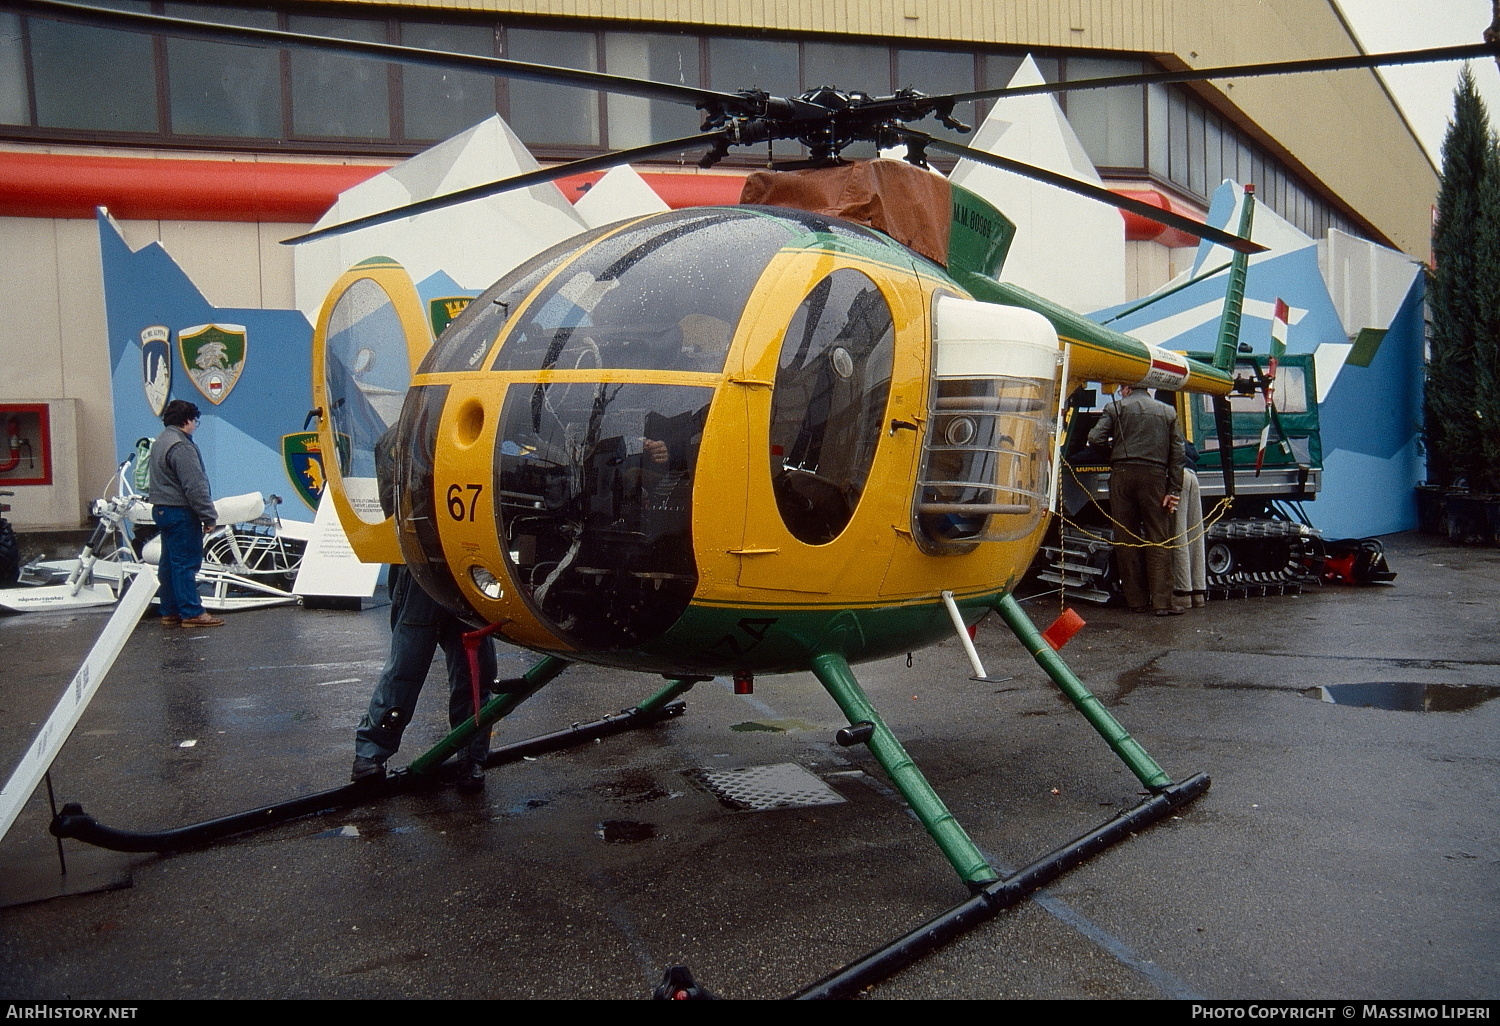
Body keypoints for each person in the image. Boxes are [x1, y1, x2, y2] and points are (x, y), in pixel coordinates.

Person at [351, 426, 496, 792]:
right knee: (407, 662)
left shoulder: (467, 430)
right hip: (422, 564)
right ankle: (371, 753)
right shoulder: (401, 436)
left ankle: (470, 756)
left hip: (466, 561)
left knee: (475, 668)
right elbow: (392, 503)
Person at [1087, 383, 1187, 616]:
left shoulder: (1115, 408)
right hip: (1154, 476)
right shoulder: (1167, 412)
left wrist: (1113, 456)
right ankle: (1162, 603)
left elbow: (1094, 438)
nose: (1121, 392)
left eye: (1122, 389)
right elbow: (1178, 455)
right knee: (1158, 537)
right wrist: (1174, 489)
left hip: (1122, 475)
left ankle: (1136, 601)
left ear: (1128, 388)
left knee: (1126, 537)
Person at [147, 399, 224, 628]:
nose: (195, 425)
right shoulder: (181, 446)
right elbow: (195, 486)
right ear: (187, 420)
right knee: (186, 564)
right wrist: (208, 517)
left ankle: (170, 611)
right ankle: (192, 611)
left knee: (169, 563)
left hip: (162, 510)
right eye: (195, 421)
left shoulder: (161, 442)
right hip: (181, 512)